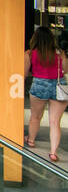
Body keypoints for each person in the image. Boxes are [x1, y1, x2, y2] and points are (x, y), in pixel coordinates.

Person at [26, 26, 68, 161]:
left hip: (39, 84)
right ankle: (53, 152)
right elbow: (65, 70)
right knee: (55, 122)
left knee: (35, 117)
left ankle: (31, 140)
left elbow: (24, 73)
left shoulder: (30, 53)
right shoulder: (59, 53)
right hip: (58, 86)